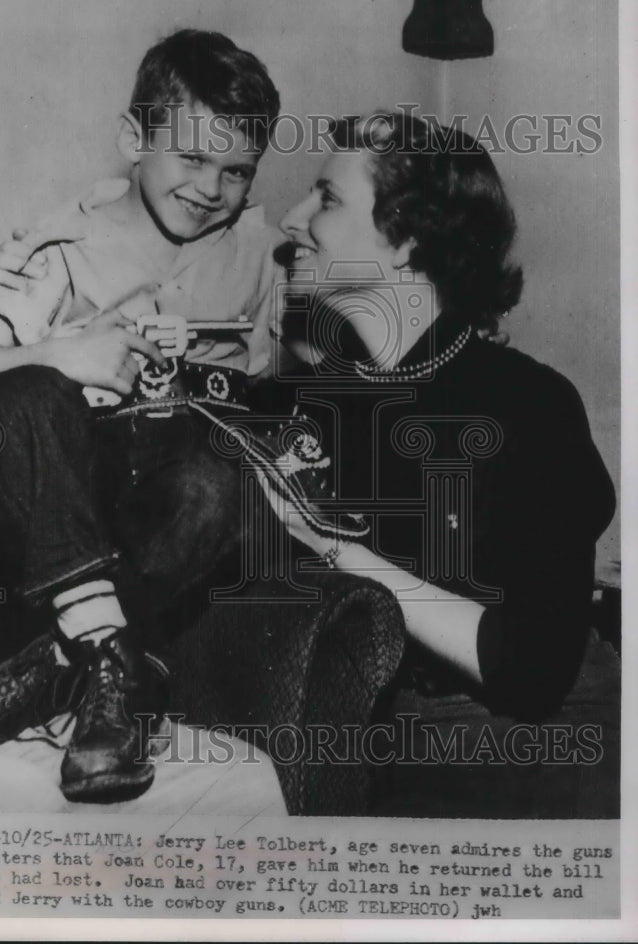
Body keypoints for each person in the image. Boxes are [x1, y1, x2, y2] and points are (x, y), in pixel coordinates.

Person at [0, 29, 283, 805]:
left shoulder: (259, 261)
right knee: (20, 393)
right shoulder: (67, 246)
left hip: (164, 512)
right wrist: (66, 356)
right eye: (192, 159)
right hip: (58, 502)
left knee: (221, 476)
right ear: (134, 139)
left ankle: (58, 670)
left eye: (236, 172)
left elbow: (265, 399)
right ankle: (91, 650)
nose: (211, 188)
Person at [252, 109, 618, 817]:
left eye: (326, 198)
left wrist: (337, 549)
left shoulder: (529, 406)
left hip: (534, 733)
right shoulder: (309, 397)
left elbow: (532, 672)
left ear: (408, 243)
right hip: (377, 722)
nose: (292, 221)